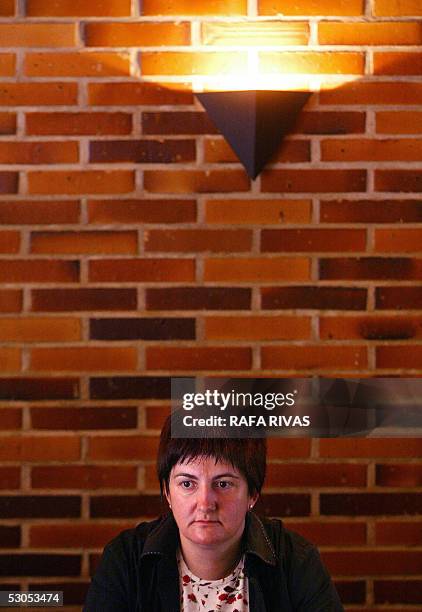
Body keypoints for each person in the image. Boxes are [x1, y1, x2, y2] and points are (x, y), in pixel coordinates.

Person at [84, 414, 344, 611]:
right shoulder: (125, 559)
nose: (205, 502)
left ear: (252, 493)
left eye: (224, 484)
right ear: (167, 491)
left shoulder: (295, 561)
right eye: (187, 484)